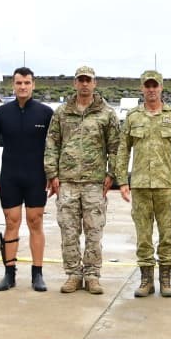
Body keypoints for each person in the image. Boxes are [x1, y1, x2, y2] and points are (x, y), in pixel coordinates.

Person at [44, 66, 120, 294]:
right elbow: (52, 143)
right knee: (69, 231)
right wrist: (52, 174)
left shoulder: (106, 113)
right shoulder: (61, 112)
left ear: (95, 83)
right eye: (81, 80)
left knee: (94, 230)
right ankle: (73, 274)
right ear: (75, 83)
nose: (84, 84)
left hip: (94, 183)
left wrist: (111, 174)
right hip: (66, 182)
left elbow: (115, 147)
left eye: (88, 80)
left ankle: (93, 275)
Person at [116, 70, 171, 298]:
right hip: (139, 185)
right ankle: (146, 280)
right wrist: (122, 180)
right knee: (143, 234)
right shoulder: (132, 117)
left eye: (154, 86)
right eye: (147, 86)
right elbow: (123, 149)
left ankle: (165, 280)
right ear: (142, 88)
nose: (151, 90)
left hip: (166, 185)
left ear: (161, 88)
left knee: (167, 234)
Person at [0, 66, 53, 291]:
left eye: (27, 83)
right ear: (13, 85)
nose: (23, 87)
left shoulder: (45, 113)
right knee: (11, 222)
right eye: (19, 83)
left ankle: (37, 274)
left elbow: (53, 147)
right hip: (10, 176)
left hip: (36, 176)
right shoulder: (2, 113)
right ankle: (9, 273)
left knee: (35, 222)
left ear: (33, 85)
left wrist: (53, 176)